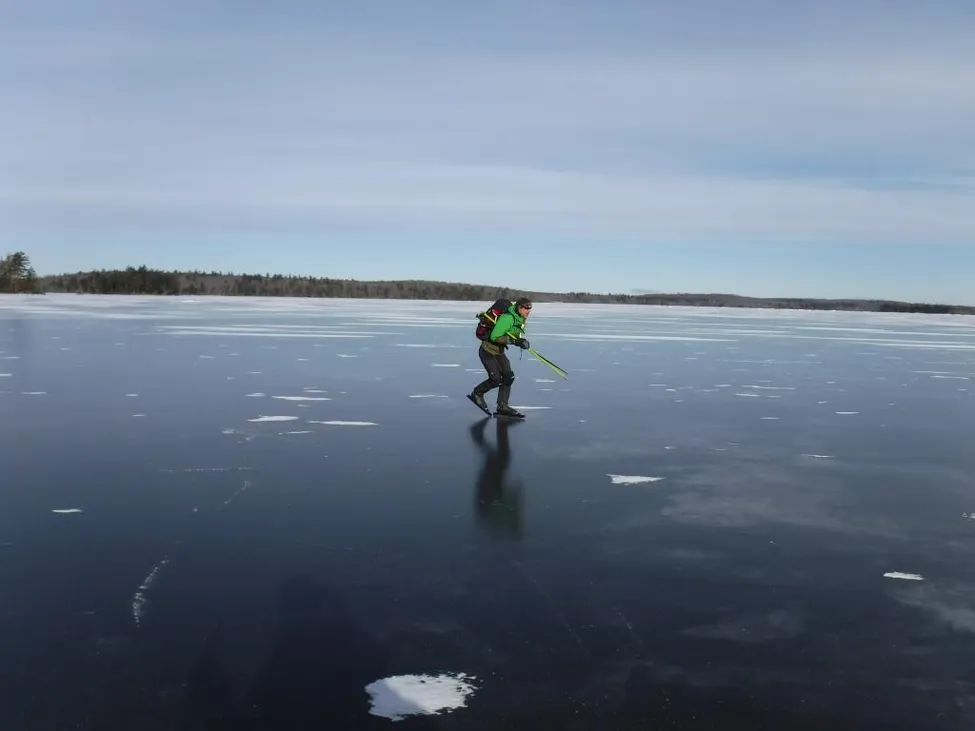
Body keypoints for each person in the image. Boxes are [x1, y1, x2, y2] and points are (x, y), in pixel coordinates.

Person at [467, 297, 532, 418]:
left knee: (508, 376)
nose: (529, 310)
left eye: (530, 308)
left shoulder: (521, 319)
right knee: (495, 379)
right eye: (526, 308)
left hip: (499, 352)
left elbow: (515, 335)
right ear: (519, 308)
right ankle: (477, 394)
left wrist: (520, 341)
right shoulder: (507, 318)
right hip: (487, 351)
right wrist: (513, 341)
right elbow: (494, 337)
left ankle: (502, 406)